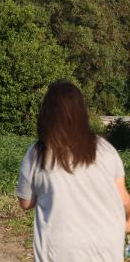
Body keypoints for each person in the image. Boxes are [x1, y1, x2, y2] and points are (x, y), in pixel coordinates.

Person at [16, 80, 130, 261]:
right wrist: (126, 223)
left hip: (59, 250)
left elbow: (25, 203)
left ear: (47, 115)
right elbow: (124, 200)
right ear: (82, 114)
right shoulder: (106, 149)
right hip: (106, 248)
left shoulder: (37, 153)